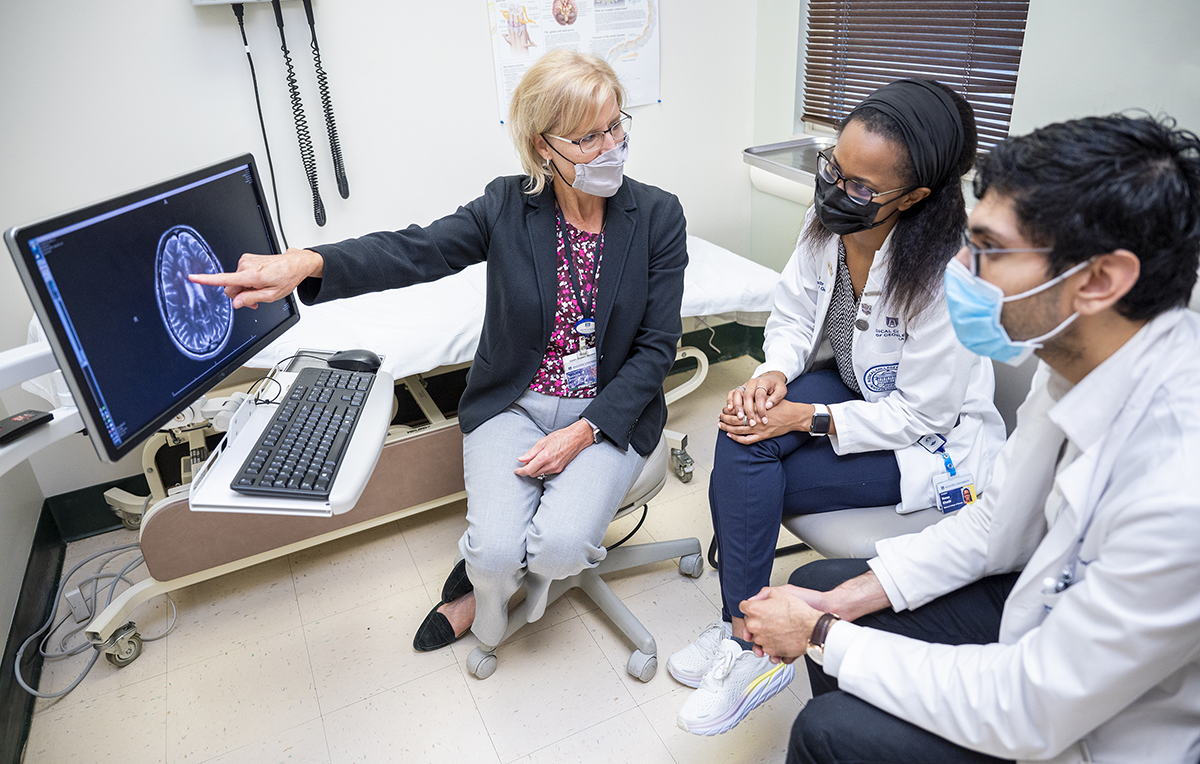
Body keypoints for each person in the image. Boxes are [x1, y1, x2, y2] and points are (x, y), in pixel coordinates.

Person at [190, 48, 687, 654]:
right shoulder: (507, 207)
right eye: (587, 138)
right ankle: (487, 592)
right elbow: (415, 250)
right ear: (543, 148)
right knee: (500, 549)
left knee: (558, 547)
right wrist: (310, 263)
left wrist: (583, 432)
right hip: (516, 403)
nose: (609, 147)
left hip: (608, 410)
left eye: (615, 126)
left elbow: (658, 348)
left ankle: (489, 581)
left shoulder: (659, 216)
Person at [740, 113, 1200, 764]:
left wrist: (819, 630)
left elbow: (1030, 708)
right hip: (1032, 602)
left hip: (1094, 732)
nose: (957, 263)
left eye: (985, 247)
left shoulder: (1180, 491)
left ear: (1098, 281)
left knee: (829, 728)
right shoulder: (1078, 358)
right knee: (825, 581)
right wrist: (836, 605)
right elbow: (993, 524)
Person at [671, 79, 1006, 735]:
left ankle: (752, 645)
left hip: (932, 444)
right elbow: (794, 313)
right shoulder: (830, 214)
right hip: (855, 388)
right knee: (743, 432)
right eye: (833, 168)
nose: (834, 189)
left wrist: (802, 417)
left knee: (754, 474)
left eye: (859, 185)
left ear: (915, 197)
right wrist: (771, 376)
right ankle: (744, 632)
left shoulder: (951, 276)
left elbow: (922, 417)